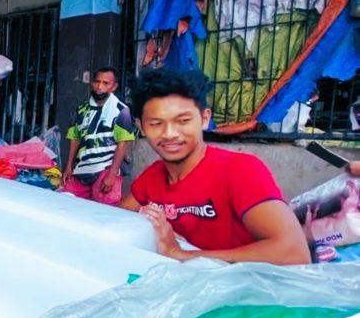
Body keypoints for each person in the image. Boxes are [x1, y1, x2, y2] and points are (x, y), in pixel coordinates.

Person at [119, 69, 310, 265]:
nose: (169, 134)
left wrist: (181, 254)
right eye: (156, 123)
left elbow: (294, 254)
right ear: (141, 127)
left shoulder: (240, 170)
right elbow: (114, 222)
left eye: (183, 121)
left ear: (204, 118)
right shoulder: (152, 177)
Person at [61, 67, 135, 205]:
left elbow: (122, 144)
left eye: (106, 83)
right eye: (97, 81)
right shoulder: (81, 109)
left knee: (105, 210)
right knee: (66, 203)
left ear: (114, 87)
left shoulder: (121, 110)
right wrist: (68, 167)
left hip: (105, 169)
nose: (99, 86)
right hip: (81, 168)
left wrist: (112, 175)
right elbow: (75, 139)